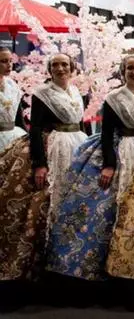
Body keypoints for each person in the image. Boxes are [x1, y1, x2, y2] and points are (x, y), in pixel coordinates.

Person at [46, 55, 134, 281]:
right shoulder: (114, 98)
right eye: (130, 68)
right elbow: (106, 133)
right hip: (125, 150)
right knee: (114, 205)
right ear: (123, 71)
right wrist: (109, 165)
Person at [0, 53, 86, 281]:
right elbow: (36, 128)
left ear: (72, 68)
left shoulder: (76, 92)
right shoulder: (42, 94)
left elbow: (82, 124)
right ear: (49, 69)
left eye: (64, 64)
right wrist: (40, 164)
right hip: (55, 147)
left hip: (77, 144)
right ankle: (49, 259)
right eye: (55, 65)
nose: (60, 68)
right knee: (49, 199)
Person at [0, 47, 26, 150]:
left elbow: (19, 117)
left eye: (10, 61)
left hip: (13, 135)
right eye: (4, 61)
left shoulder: (12, 85)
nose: (9, 65)